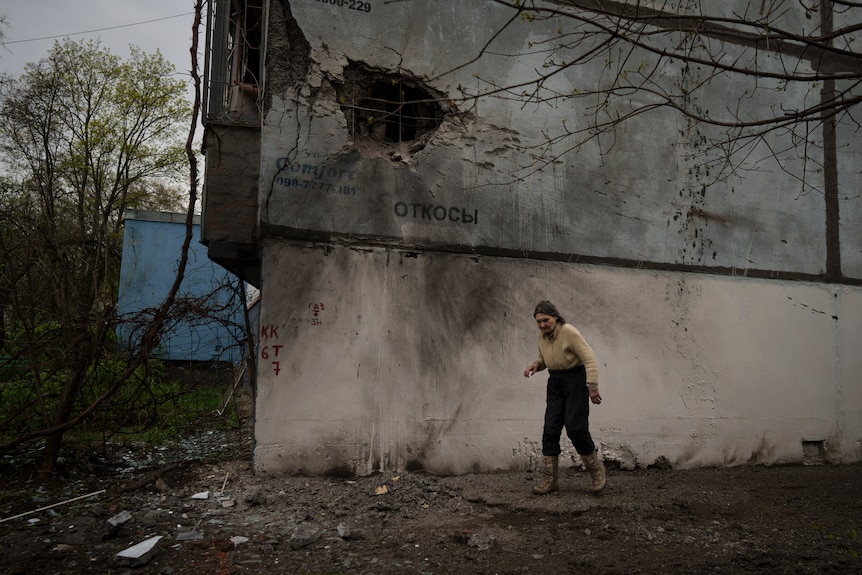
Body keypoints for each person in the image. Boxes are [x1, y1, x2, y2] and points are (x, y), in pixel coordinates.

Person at [523, 300, 607, 495]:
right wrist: (536, 364)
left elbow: (589, 358)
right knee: (550, 429)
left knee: (575, 428)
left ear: (556, 317)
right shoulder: (542, 337)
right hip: (555, 383)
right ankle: (550, 480)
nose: (542, 325)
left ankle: (596, 470)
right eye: (538, 321)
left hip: (575, 380)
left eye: (546, 320)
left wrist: (592, 387)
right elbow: (545, 358)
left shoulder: (569, 331)